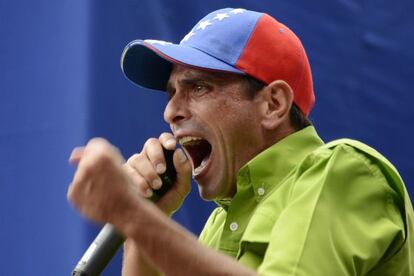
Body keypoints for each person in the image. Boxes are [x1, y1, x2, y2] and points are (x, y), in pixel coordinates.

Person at [67, 8, 414, 275]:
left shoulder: (344, 170)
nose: (170, 111)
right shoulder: (219, 224)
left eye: (199, 87)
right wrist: (144, 223)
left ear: (273, 104)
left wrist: (133, 217)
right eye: (172, 93)